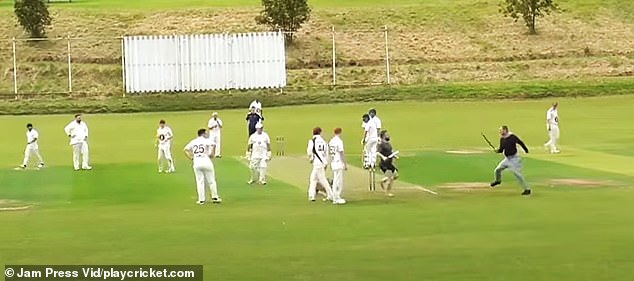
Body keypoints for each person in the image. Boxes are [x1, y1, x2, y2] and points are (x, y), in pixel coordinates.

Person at [490, 125, 532, 196]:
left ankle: (527, 189)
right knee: (497, 170)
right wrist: (497, 151)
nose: (500, 131)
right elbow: (501, 149)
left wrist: (526, 150)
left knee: (517, 174)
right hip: (507, 159)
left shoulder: (512, 137)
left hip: (514, 159)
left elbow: (520, 142)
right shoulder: (502, 139)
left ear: (505, 130)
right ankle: (498, 180)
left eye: (501, 130)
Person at [184, 129, 221, 205]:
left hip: (197, 161)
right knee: (211, 180)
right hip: (206, 160)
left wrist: (191, 157)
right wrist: (212, 153)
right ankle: (215, 197)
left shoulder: (193, 141)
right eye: (206, 133)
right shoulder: (205, 140)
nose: (207, 134)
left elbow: (185, 150)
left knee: (199, 181)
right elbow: (213, 144)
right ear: (203, 134)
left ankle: (201, 199)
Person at [306, 127, 334, 202]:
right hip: (322, 162)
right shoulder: (323, 141)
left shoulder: (312, 141)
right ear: (320, 133)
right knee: (314, 179)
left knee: (322, 180)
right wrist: (326, 162)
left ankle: (330, 195)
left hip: (317, 163)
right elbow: (326, 152)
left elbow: (309, 151)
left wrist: (311, 158)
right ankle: (312, 195)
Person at [377, 130, 399, 197]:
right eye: (386, 134)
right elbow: (377, 152)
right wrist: (383, 157)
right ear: (383, 136)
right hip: (384, 164)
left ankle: (383, 181)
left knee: (396, 175)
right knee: (391, 178)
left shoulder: (388, 144)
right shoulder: (381, 144)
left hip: (389, 163)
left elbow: (390, 152)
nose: (388, 135)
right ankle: (387, 192)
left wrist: (394, 156)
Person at [329, 128, 347, 204]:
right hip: (338, 162)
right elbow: (341, 153)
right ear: (340, 132)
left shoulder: (331, 141)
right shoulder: (339, 141)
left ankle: (335, 196)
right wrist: (345, 163)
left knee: (336, 179)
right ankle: (336, 197)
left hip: (333, 162)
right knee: (338, 180)